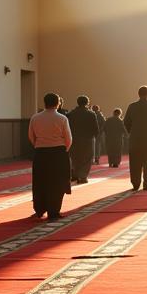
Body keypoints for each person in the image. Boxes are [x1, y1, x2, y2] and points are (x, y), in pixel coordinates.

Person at [28, 92, 72, 220]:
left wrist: (39, 145)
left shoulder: (35, 118)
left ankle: (40, 209)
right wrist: (64, 150)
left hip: (40, 152)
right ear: (58, 103)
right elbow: (68, 138)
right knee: (57, 182)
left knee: (40, 181)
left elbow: (31, 136)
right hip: (58, 152)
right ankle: (54, 211)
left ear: (45, 103)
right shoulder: (62, 118)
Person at [123, 86, 147, 191]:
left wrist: (132, 132)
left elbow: (126, 122)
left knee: (135, 164)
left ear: (138, 94)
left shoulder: (132, 106)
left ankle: (135, 184)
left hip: (136, 140)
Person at [66, 95, 100, 183]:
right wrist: (96, 136)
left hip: (74, 139)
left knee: (75, 157)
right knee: (87, 158)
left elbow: (68, 127)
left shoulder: (70, 114)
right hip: (87, 139)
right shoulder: (91, 114)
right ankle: (83, 176)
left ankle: (75, 174)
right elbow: (95, 128)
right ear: (87, 103)